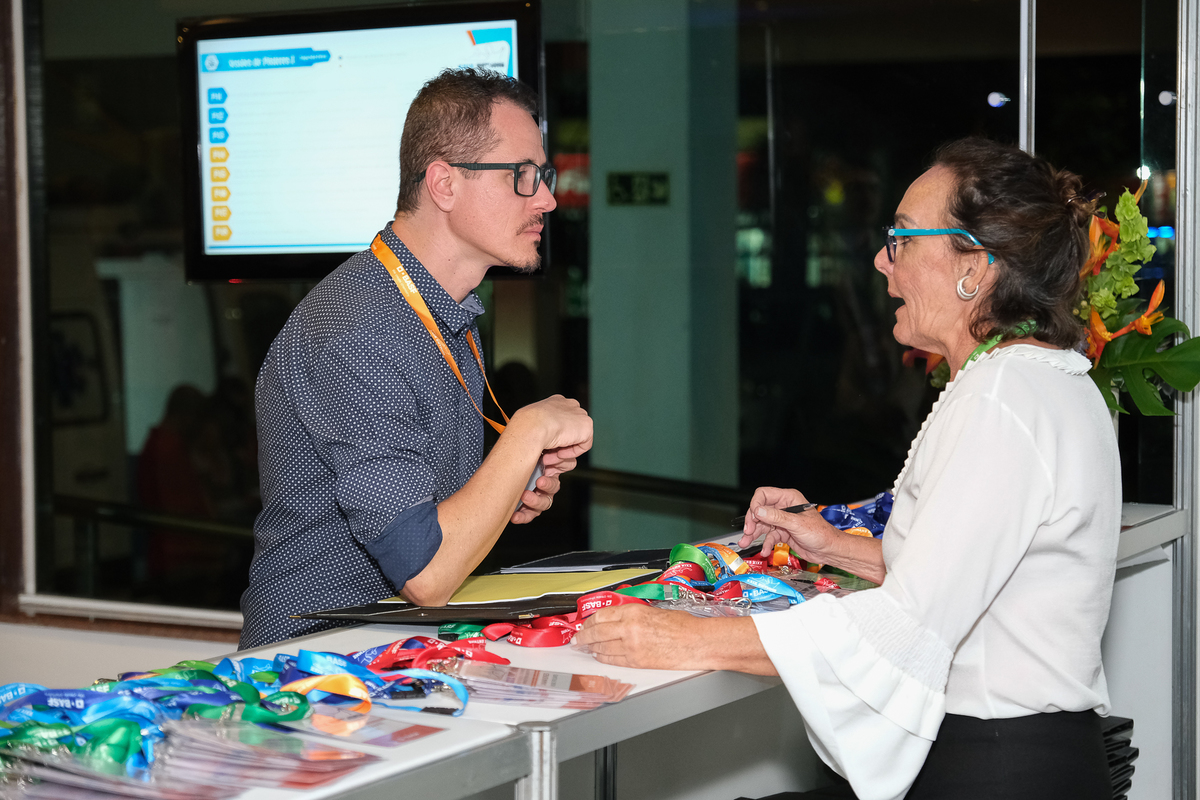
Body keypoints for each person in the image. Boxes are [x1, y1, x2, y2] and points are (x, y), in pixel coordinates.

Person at [575, 138, 1118, 800]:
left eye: (902, 240)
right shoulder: (1043, 382)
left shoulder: (1005, 397)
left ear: (973, 265)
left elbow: (910, 629)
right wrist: (832, 546)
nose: (881, 262)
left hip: (993, 768)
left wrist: (691, 639)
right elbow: (966, 578)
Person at [240, 69, 593, 649]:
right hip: (314, 670)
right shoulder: (356, 325)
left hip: (393, 652)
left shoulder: (442, 312)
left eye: (543, 177)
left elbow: (431, 521)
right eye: (522, 177)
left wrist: (507, 485)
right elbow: (425, 572)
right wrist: (528, 432)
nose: (548, 200)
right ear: (444, 185)